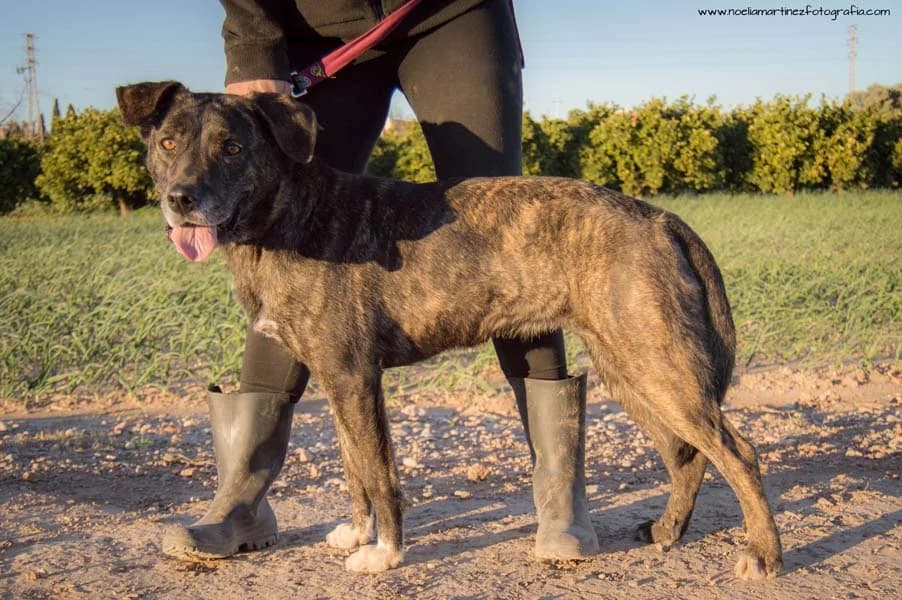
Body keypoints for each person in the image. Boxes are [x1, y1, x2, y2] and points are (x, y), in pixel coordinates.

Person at [163, 0, 600, 562]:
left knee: (514, 241)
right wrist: (253, 45)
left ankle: (561, 501)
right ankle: (242, 497)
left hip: (454, 14)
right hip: (314, 28)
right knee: (289, 242)